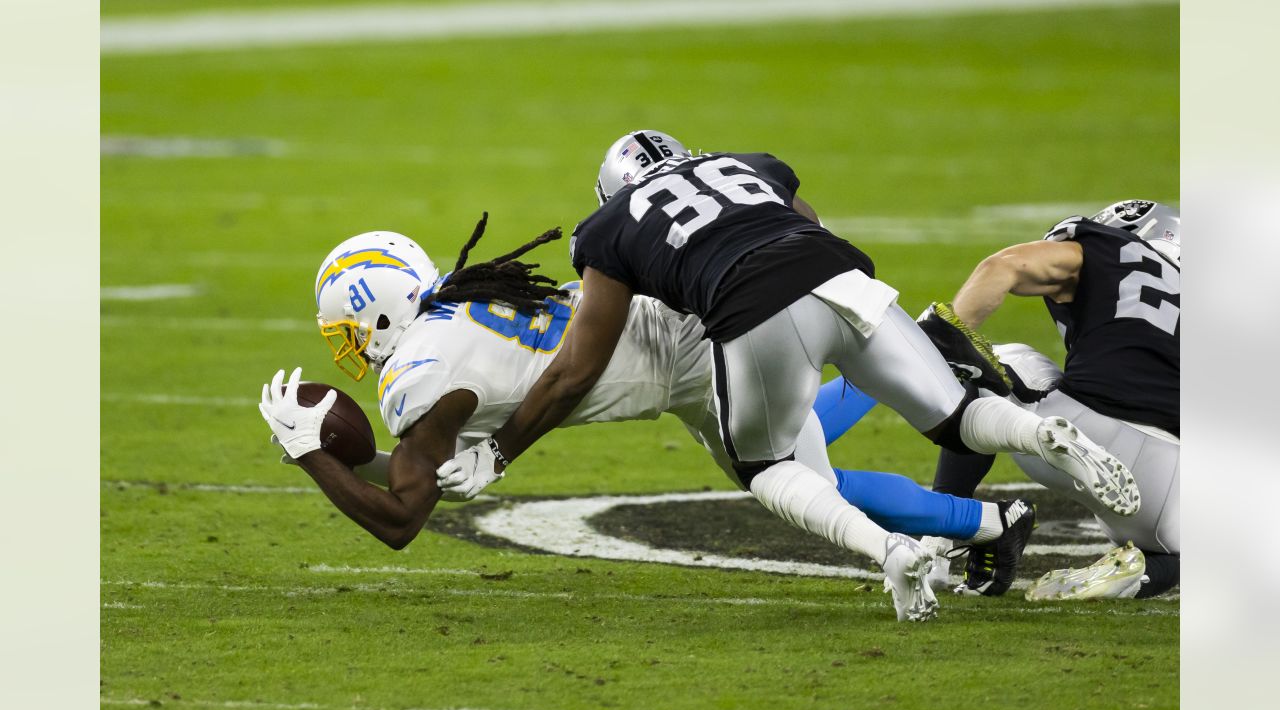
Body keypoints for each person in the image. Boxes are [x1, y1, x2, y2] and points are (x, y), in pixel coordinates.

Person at [433, 130, 1139, 617]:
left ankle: (891, 552)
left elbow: (576, 369)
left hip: (756, 309)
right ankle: (1037, 431)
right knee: (955, 414)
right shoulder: (748, 165)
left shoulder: (609, 228)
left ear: (609, 191)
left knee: (767, 467)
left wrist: (499, 450)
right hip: (845, 280)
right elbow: (810, 223)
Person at [259, 220, 1036, 620]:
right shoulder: (457, 311)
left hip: (702, 351)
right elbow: (416, 464)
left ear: (379, 316)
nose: (352, 352)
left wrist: (311, 453)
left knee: (793, 481)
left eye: (350, 333)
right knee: (792, 453)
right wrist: (381, 460)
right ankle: (941, 381)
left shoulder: (420, 376)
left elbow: (402, 517)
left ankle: (991, 520)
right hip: (681, 349)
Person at [918, 200, 1180, 599]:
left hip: (1093, 439)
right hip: (1172, 497)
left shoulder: (1107, 247)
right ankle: (1142, 573)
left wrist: (936, 339)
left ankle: (936, 538)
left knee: (993, 364)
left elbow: (1001, 267)